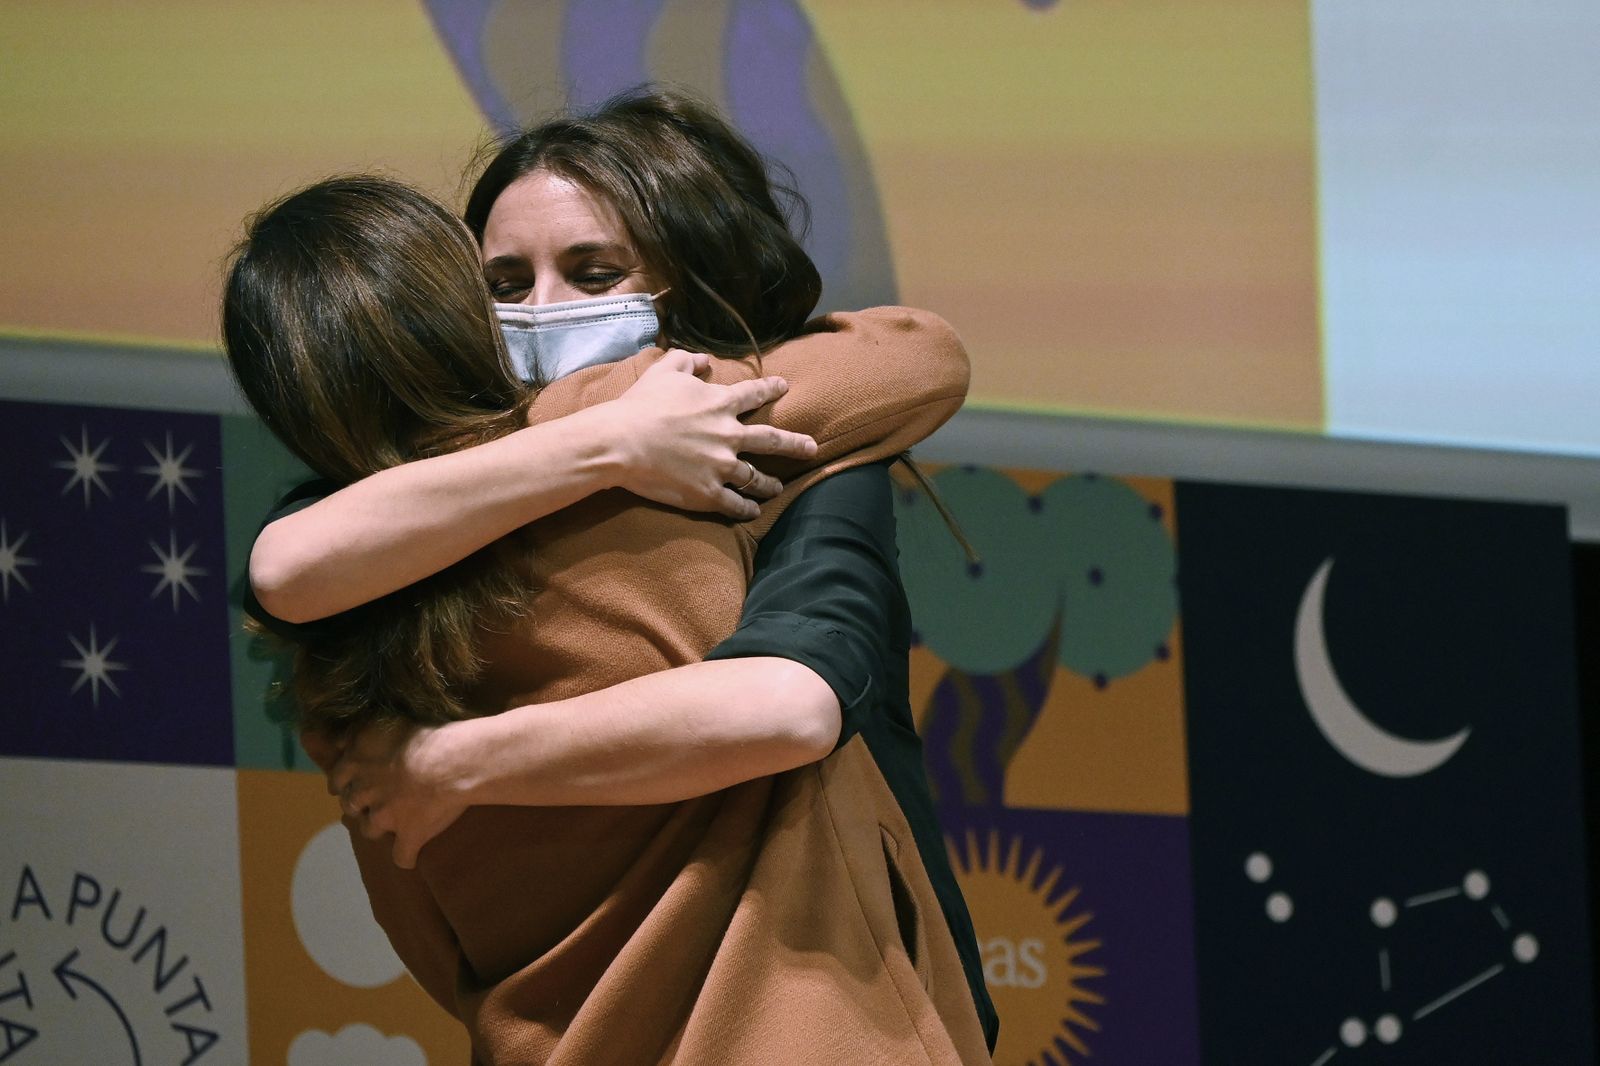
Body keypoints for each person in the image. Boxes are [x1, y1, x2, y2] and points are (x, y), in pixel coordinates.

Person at [230, 90, 995, 1062]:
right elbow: (920, 356)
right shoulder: (662, 412)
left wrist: (449, 765)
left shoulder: (350, 581)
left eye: (592, 273)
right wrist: (611, 435)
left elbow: (429, 939)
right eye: (504, 284)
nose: (545, 313)